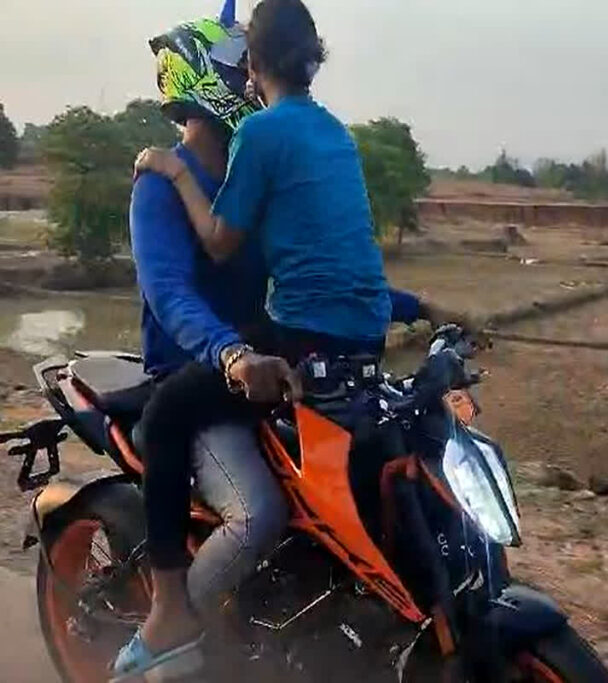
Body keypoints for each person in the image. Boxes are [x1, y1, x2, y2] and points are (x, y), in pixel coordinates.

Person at [114, 2, 462, 679]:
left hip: (269, 360)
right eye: (231, 62)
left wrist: (416, 306)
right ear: (207, 77)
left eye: (248, 60)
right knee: (259, 513)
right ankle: (171, 615)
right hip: (207, 371)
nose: (243, 75)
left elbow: (310, 275)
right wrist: (232, 354)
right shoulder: (160, 186)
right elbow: (171, 295)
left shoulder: (256, 163)